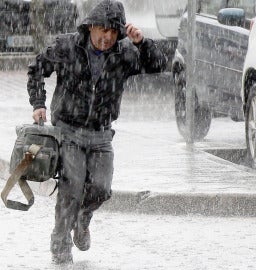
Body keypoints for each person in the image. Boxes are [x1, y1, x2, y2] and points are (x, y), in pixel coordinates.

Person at [27, 0, 166, 265]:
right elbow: (37, 70)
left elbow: (158, 65)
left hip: (102, 134)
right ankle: (60, 246)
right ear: (90, 26)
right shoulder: (68, 46)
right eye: (103, 30)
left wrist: (141, 43)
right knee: (72, 188)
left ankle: (83, 218)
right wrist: (38, 104)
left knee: (101, 189)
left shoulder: (124, 54)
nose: (107, 37)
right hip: (68, 131)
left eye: (113, 32)